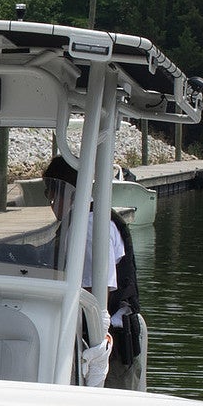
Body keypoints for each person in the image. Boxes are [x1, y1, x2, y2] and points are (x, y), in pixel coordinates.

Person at [39, 155, 142, 385]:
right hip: (102, 342)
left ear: (64, 191)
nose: (50, 201)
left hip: (107, 350)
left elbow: (97, 293)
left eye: (50, 192)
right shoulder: (85, 220)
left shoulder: (89, 226)